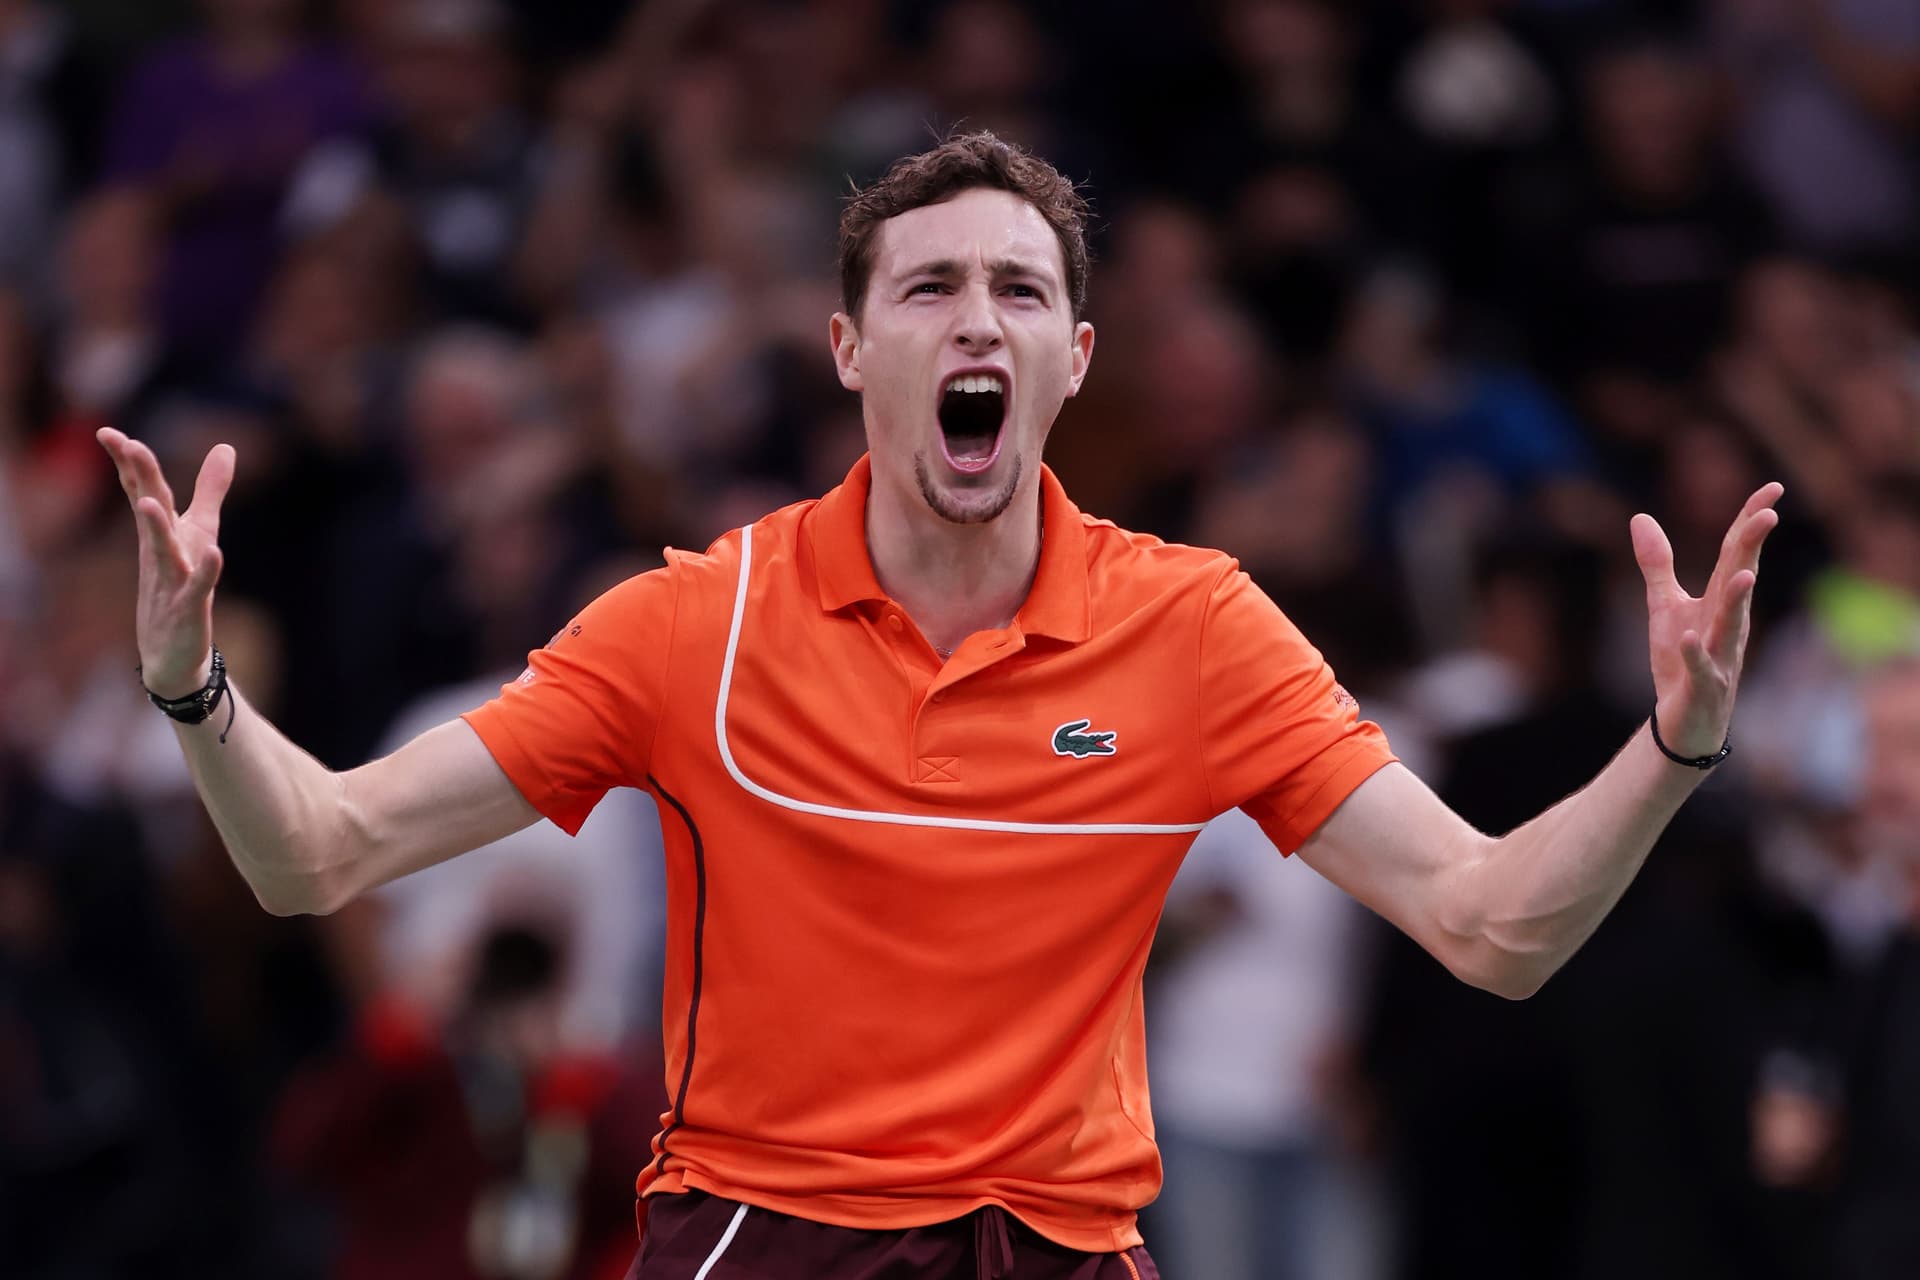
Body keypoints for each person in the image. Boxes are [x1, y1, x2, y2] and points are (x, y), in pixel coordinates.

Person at [96, 131, 1782, 1279]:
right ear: (850, 349)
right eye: (930, 288)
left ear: (1074, 360)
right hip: (772, 1242)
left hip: (1061, 1249)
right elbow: (319, 852)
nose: (979, 318)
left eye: (1021, 292)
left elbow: (1490, 926)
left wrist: (1673, 746)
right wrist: (193, 685)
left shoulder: (1195, 628)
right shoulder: (696, 625)